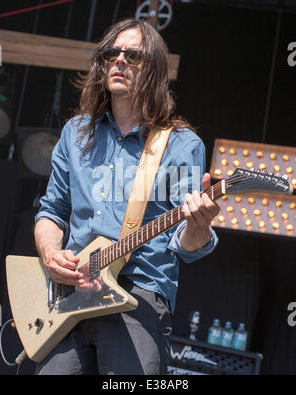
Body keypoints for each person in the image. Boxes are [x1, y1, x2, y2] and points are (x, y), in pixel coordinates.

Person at [34, 18, 220, 375]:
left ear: (154, 70)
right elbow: (52, 211)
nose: (118, 61)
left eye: (132, 55)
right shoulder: (76, 133)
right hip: (70, 294)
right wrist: (50, 253)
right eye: (111, 53)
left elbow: (187, 243)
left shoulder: (180, 145)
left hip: (139, 297)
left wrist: (200, 224)